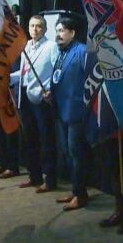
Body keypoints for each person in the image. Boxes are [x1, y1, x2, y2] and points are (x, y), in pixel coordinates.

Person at [44, 16, 89, 211]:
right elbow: (59, 78)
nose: (58, 35)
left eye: (62, 31)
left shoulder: (82, 52)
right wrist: (51, 92)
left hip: (77, 112)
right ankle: (75, 189)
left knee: (76, 154)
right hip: (60, 110)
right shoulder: (62, 52)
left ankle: (81, 195)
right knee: (68, 154)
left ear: (73, 33)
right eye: (57, 30)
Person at [11, 14, 57, 190]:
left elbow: (56, 72)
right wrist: (8, 78)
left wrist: (51, 91)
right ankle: (34, 176)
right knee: (30, 140)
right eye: (32, 26)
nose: (35, 29)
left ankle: (49, 179)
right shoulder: (26, 46)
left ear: (44, 29)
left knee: (46, 141)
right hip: (25, 98)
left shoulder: (51, 46)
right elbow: (24, 74)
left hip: (42, 99)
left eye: (38, 26)